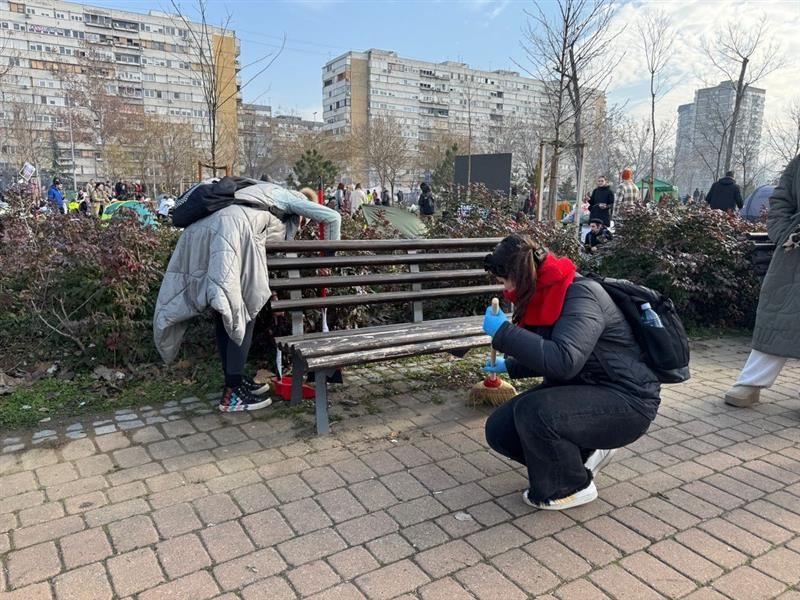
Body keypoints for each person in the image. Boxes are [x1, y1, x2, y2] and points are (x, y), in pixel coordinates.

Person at [481, 234, 660, 510]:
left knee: (534, 412)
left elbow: (564, 360)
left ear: (519, 274)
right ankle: (581, 457)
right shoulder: (545, 292)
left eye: (504, 281)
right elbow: (550, 351)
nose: (504, 289)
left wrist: (504, 333)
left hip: (627, 399)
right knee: (500, 429)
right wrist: (509, 366)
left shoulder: (581, 294)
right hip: (586, 387)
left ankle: (571, 486)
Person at [154, 183, 341, 412]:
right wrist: (329, 261)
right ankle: (232, 395)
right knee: (243, 309)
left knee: (224, 309)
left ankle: (234, 381)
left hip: (201, 232)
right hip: (232, 232)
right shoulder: (289, 197)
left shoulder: (260, 193)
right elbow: (333, 218)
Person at [724, 154, 800, 407]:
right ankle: (751, 382)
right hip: (795, 252)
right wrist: (784, 232)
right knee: (777, 314)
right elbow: (781, 200)